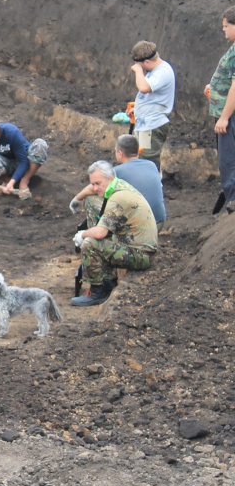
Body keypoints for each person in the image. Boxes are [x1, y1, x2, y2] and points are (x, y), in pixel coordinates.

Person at [70, 160, 157, 306]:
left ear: (109, 179)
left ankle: (99, 292)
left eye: (98, 183)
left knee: (90, 243)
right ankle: (109, 283)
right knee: (92, 201)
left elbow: (99, 233)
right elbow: (93, 190)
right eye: (93, 184)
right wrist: (79, 197)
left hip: (141, 255)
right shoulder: (119, 186)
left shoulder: (118, 199)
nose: (95, 188)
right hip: (136, 247)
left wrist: (82, 234)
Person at [70, 135, 166, 229]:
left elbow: (94, 189)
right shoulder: (151, 165)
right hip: (159, 222)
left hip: (138, 228)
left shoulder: (117, 172)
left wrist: (77, 198)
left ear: (120, 153)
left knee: (91, 199)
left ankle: (96, 236)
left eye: (116, 151)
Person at [204, 6, 235, 213]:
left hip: (229, 116)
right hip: (226, 112)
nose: (223, 30)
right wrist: (213, 87)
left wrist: (224, 117)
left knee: (228, 159)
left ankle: (232, 200)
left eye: (226, 26)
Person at [130, 40, 175, 170]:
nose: (141, 69)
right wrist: (137, 109)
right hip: (145, 124)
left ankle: (152, 189)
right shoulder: (155, 71)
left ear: (147, 62)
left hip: (152, 125)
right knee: (139, 160)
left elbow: (144, 87)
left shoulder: (163, 72)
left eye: (141, 65)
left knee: (148, 163)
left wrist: (138, 71)